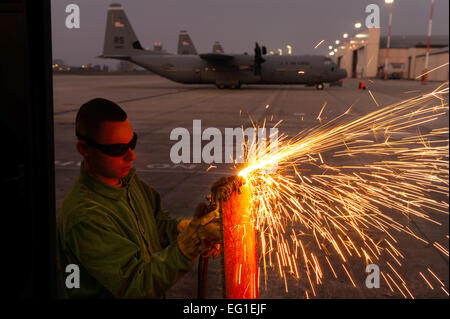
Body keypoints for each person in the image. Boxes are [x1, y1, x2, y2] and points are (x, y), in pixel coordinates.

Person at [58, 98, 223, 298]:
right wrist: (193, 241)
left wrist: (191, 227)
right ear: (84, 149)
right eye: (117, 149)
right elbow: (137, 286)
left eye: (132, 143)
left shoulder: (127, 181)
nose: (131, 156)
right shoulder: (85, 217)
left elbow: (156, 223)